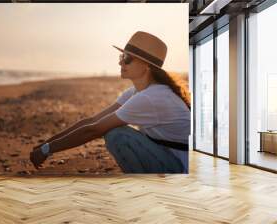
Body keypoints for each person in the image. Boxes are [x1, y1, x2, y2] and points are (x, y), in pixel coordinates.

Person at [29, 31, 191, 173]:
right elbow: (93, 120)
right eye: (122, 56)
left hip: (180, 167)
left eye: (127, 58)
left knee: (116, 134)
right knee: (113, 129)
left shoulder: (151, 97)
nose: (120, 62)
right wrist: (45, 144)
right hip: (165, 155)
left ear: (146, 66)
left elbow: (93, 130)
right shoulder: (139, 91)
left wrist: (46, 150)